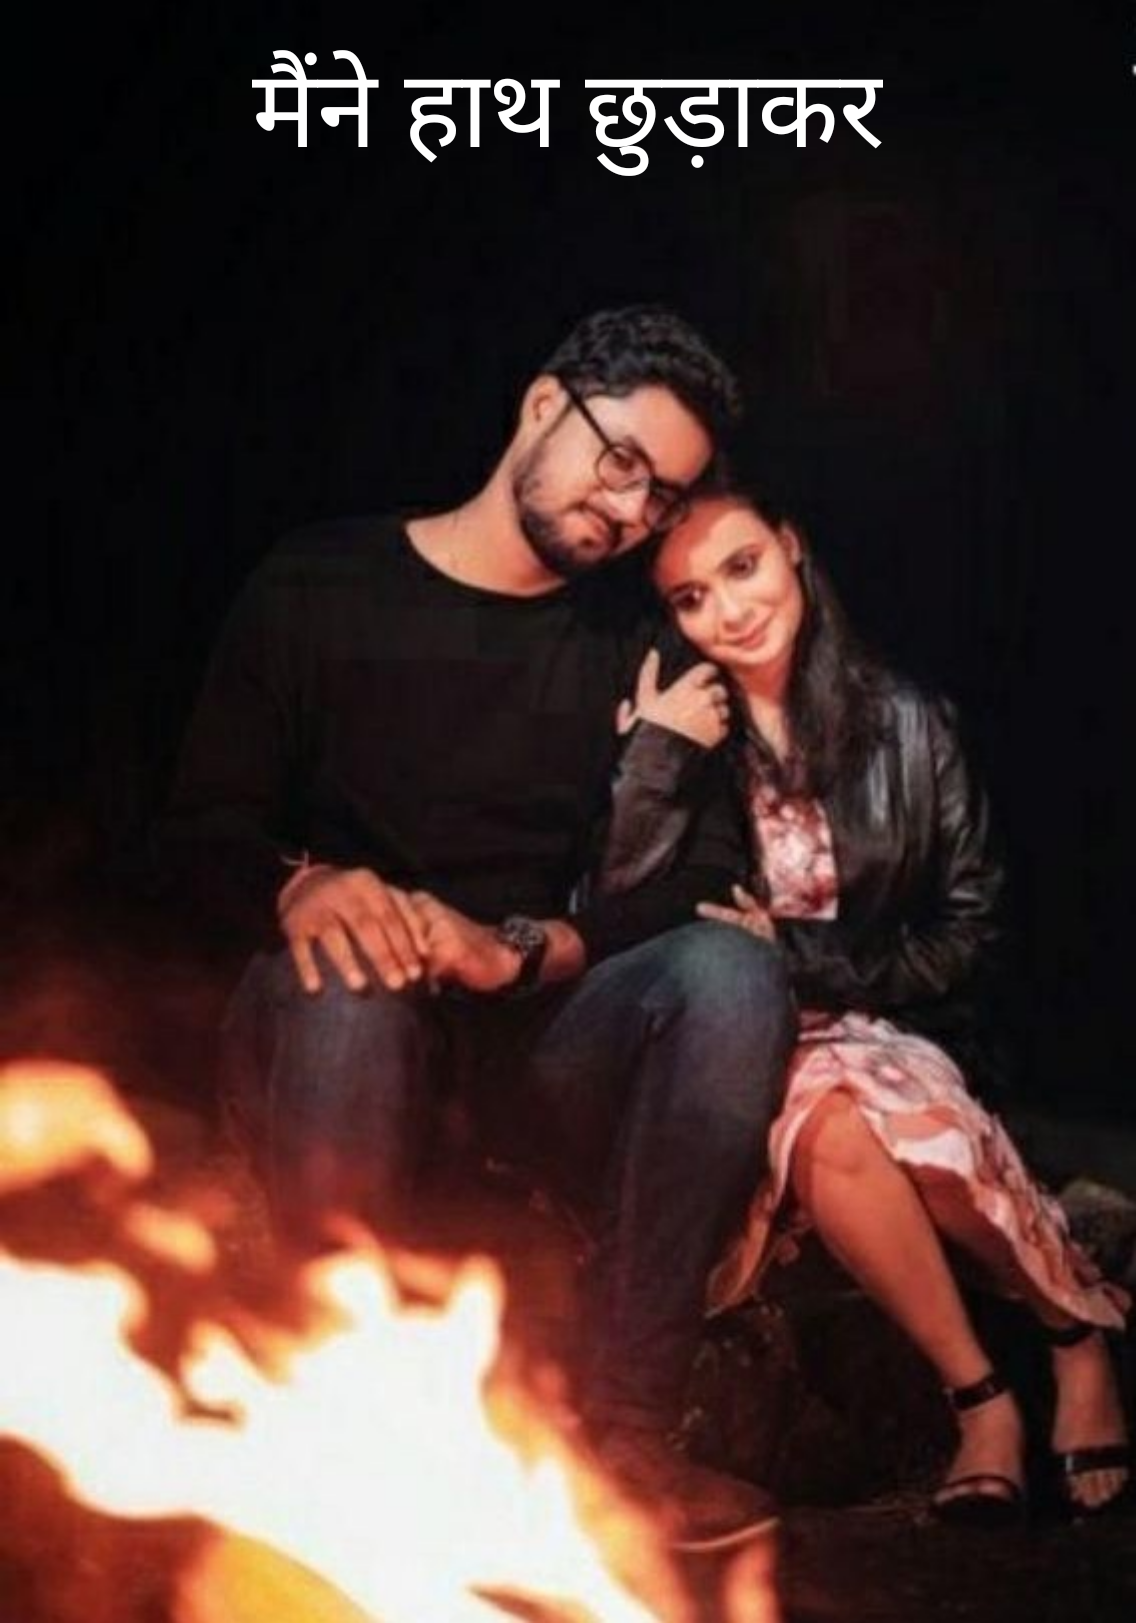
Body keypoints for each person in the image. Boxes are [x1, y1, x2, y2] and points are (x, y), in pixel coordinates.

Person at [160, 307, 796, 1551]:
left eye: (661, 498)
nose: (630, 512)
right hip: (327, 1026)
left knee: (728, 973)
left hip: (527, 1041)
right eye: (621, 462)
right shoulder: (321, 584)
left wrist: (523, 949)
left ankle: (627, 1438)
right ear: (543, 404)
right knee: (353, 975)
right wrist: (299, 885)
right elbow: (196, 833)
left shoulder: (631, 639)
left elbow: (706, 879)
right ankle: (337, 1440)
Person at [599, 487, 1130, 1523]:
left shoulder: (907, 722)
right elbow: (621, 911)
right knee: (830, 1120)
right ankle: (991, 1395)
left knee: (878, 1116)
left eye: (742, 566)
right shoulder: (687, 733)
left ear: (791, 548)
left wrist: (802, 957)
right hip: (742, 1037)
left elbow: (971, 930)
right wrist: (653, 758)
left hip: (892, 1017)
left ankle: (1071, 1343)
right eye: (691, 598)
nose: (729, 611)